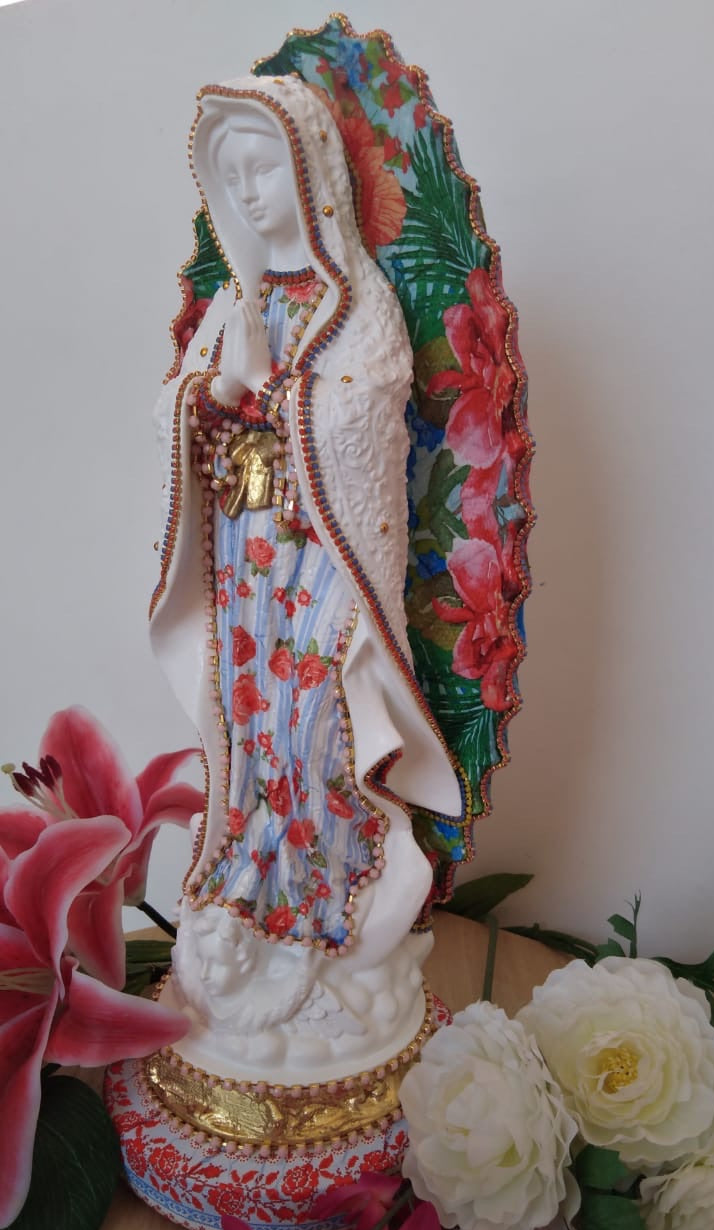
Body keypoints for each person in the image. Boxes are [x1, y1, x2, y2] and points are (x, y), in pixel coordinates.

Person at [151, 75, 462, 1004]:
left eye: (266, 169)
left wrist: (266, 390)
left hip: (322, 560)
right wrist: (217, 387)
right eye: (233, 176)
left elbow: (364, 411)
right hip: (244, 559)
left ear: (311, 172)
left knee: (314, 714)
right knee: (251, 719)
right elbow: (177, 412)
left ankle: (335, 891)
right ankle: (257, 887)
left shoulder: (355, 305)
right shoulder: (235, 304)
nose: (250, 193)